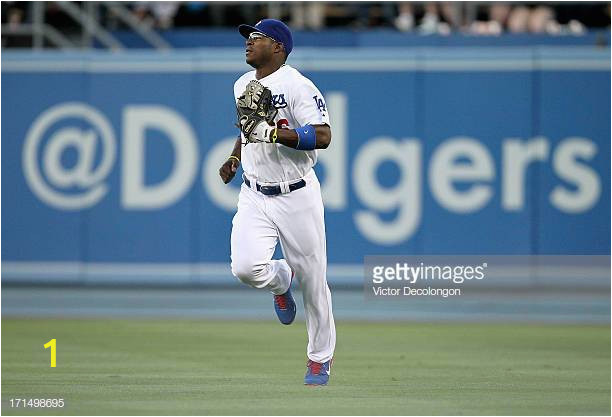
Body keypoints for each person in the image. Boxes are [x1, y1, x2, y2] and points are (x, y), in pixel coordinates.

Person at [218, 19, 336, 386]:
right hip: (254, 193)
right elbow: (247, 129)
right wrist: (235, 157)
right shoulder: (242, 84)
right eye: (248, 38)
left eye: (257, 38)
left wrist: (275, 132)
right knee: (245, 268)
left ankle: (319, 359)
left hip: (297, 194)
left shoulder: (298, 86)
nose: (249, 43)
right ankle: (281, 278)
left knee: (315, 282)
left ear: (279, 47)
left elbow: (323, 135)